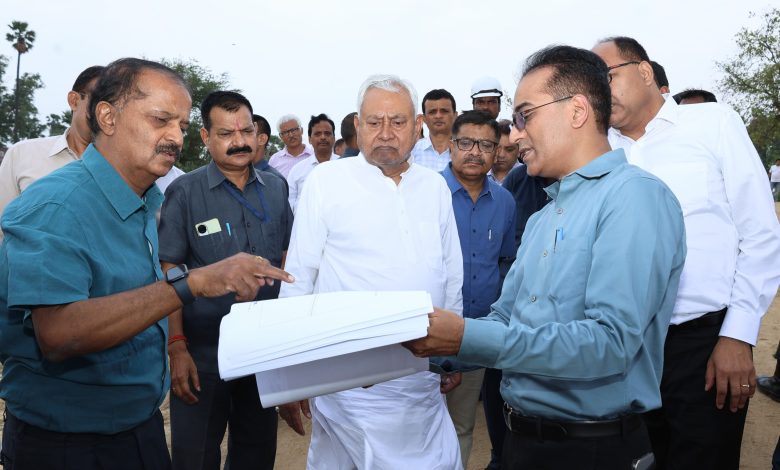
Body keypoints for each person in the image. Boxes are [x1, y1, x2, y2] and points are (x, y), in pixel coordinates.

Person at [0, 58, 293, 469]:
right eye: (160, 120)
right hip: (68, 444)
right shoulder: (57, 205)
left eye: (182, 126)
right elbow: (59, 333)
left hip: (139, 426)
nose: (175, 137)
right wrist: (192, 284)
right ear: (108, 117)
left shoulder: (143, 201)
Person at [405, 45, 687, 470]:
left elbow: (609, 344)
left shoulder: (634, 198)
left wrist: (462, 336)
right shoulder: (543, 215)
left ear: (576, 111)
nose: (515, 135)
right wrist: (415, 348)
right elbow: (505, 320)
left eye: (525, 116)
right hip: (522, 442)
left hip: (591, 451)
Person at [594, 35, 780, 470]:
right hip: (621, 350)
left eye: (608, 77)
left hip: (703, 345)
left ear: (644, 71)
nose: (600, 92)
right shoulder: (600, 151)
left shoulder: (712, 123)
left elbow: (759, 233)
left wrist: (737, 335)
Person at [279, 74, 464, 470]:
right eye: (374, 122)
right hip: (348, 384)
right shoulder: (326, 182)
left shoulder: (434, 187)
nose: (385, 133)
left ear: (417, 126)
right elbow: (299, 277)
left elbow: (451, 275)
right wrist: (288, 373)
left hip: (420, 379)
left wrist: (451, 354)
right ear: (358, 126)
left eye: (397, 122)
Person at [158, 91, 293, 470]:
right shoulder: (185, 192)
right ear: (205, 137)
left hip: (264, 353)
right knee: (194, 457)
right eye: (226, 133)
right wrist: (177, 347)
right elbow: (169, 270)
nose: (239, 142)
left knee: (256, 454)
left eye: (246, 131)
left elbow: (288, 259)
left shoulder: (277, 188)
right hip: (203, 356)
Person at [441, 110, 515, 468]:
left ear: (496, 151)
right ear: (450, 145)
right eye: (466, 142)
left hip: (474, 336)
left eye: (486, 145)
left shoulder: (505, 202)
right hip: (422, 333)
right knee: (411, 427)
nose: (475, 152)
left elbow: (505, 263)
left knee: (461, 426)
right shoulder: (426, 194)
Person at [0, 65, 103, 220]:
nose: (106, 112)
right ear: (74, 101)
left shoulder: (124, 169)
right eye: (99, 102)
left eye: (116, 105)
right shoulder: (22, 154)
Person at [287, 113, 338, 213]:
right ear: (310, 139)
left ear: (334, 138)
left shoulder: (343, 166)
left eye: (327, 133)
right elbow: (289, 203)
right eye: (317, 134)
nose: (323, 137)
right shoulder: (297, 170)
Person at [411, 88, 457, 171]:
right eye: (432, 112)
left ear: (455, 116)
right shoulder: (412, 152)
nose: (438, 116)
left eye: (444, 111)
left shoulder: (464, 151)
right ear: (424, 118)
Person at [488, 119, 521, 184]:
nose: (501, 155)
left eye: (509, 150)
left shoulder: (530, 176)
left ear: (519, 151)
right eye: (497, 149)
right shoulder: (477, 173)